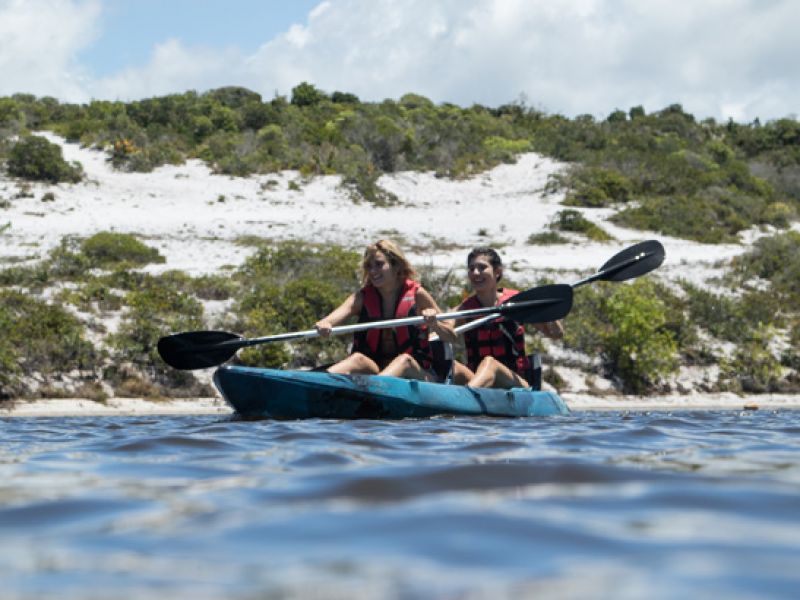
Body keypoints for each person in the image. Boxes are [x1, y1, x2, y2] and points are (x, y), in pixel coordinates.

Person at [314, 240, 457, 382]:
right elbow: (331, 319)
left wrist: (434, 324)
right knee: (358, 359)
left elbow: (451, 336)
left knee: (404, 361)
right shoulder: (362, 297)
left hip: (417, 373)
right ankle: (315, 384)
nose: (372, 271)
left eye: (379, 264)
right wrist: (325, 324)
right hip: (378, 370)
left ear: (396, 266)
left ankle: (374, 392)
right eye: (369, 266)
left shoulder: (417, 294)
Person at [454, 247, 563, 389]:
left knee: (490, 363)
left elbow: (556, 334)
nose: (475, 273)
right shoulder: (466, 309)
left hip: (516, 382)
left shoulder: (516, 303)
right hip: (479, 381)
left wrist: (546, 310)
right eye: (471, 268)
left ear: (497, 271)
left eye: (482, 267)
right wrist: (432, 321)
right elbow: (443, 326)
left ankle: (466, 396)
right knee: (452, 366)